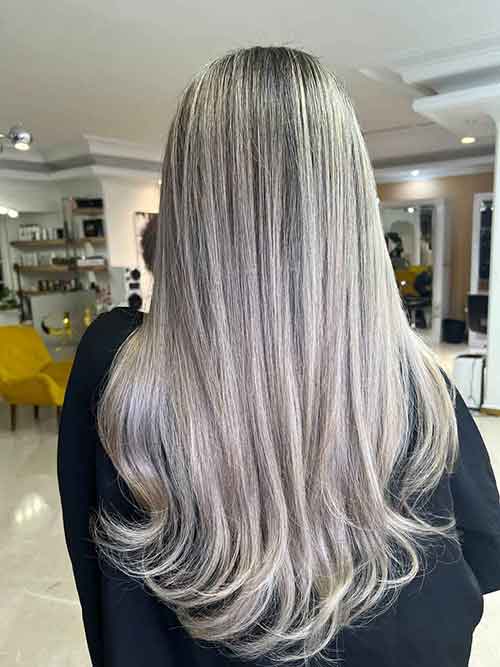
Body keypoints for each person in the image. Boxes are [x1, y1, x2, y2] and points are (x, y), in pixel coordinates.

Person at [58, 47, 500, 667]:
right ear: (349, 200)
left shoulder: (117, 366)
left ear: (188, 200)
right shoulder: (414, 379)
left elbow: (101, 583)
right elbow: (480, 555)